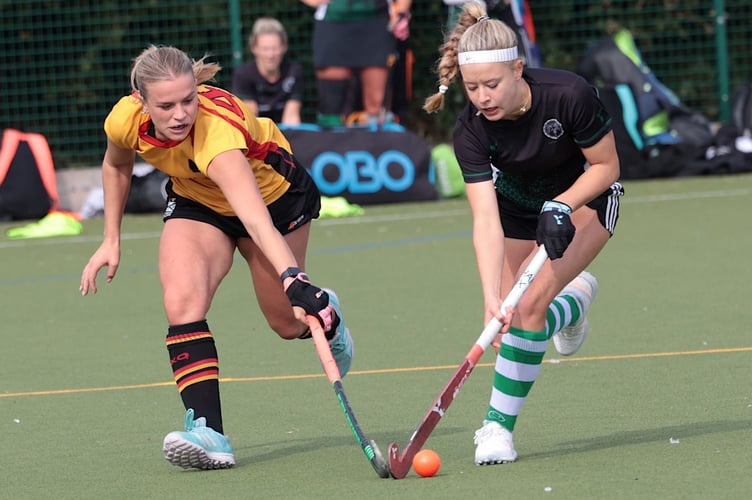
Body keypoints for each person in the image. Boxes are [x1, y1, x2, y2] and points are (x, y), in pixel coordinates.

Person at [79, 45, 354, 471]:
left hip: (274, 201)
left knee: (286, 321)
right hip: (198, 200)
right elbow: (117, 165)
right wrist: (110, 237)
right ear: (141, 101)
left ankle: (328, 314)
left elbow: (256, 221)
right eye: (166, 105)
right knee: (181, 301)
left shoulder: (217, 135)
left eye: (188, 100)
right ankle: (209, 432)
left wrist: (294, 280)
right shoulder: (125, 119)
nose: (180, 114)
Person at [423, 2, 624, 465]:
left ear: (518, 68)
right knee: (516, 313)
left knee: (531, 304)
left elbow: (607, 166)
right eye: (472, 88)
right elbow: (485, 220)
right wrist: (491, 296)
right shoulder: (470, 130)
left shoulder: (569, 95)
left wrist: (562, 205)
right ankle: (573, 303)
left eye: (492, 85)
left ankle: (497, 427)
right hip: (515, 207)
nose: (482, 98)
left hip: (585, 198)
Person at [299, 0, 412, 127]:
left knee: (376, 107)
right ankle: (331, 144)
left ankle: (376, 144)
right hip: (332, 20)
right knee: (331, 107)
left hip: (377, 21)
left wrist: (402, 12)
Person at [231, 17, 304, 126]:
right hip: (259, 133)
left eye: (274, 48)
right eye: (265, 49)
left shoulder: (294, 71)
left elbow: (292, 117)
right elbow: (250, 119)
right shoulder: (243, 74)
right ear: (254, 48)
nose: (270, 55)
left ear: (284, 47)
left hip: (285, 133)